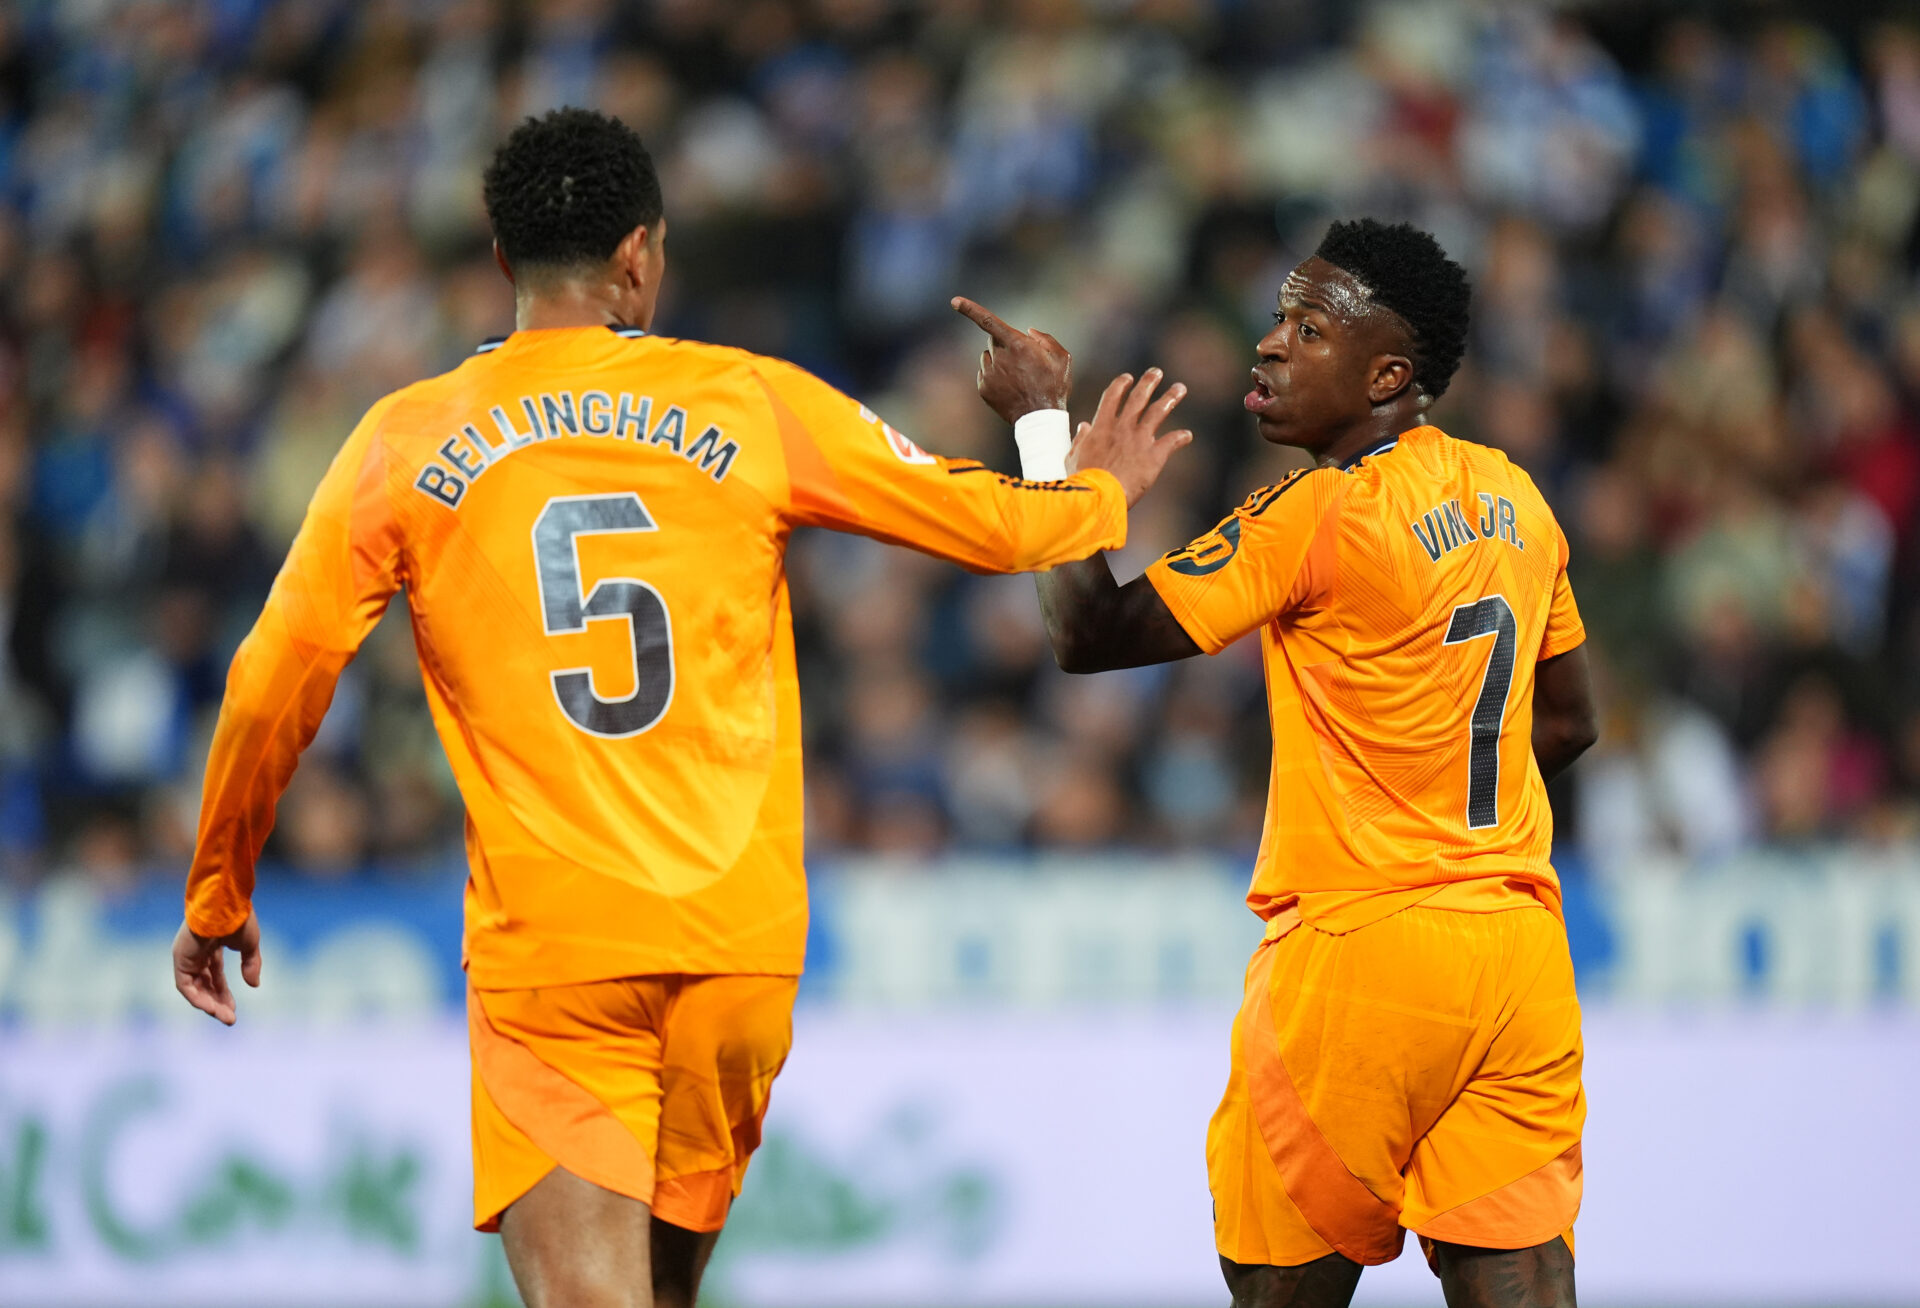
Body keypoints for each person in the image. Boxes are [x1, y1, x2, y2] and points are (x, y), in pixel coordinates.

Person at [170, 107, 1189, 1308]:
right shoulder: (749, 401)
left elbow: (273, 677)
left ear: (501, 263)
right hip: (736, 953)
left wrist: (218, 887)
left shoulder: (405, 439)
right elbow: (1009, 529)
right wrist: (1071, 452)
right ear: (640, 256)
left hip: (559, 952)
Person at [956, 218, 1598, 1308]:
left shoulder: (1317, 513)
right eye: (1276, 319)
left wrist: (1041, 433)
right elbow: (1570, 721)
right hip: (1517, 956)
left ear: (1390, 372)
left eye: (1308, 327)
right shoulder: (1516, 499)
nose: (1269, 345)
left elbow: (1084, 631)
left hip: (1355, 960)